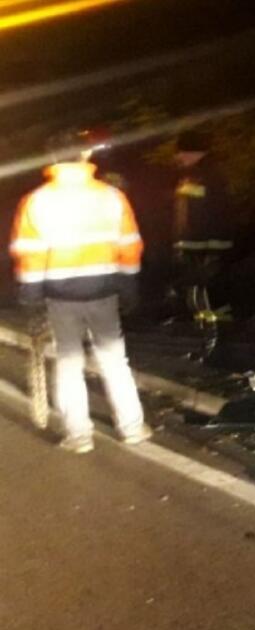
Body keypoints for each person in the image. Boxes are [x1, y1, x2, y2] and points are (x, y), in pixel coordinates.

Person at [8, 130, 152, 453]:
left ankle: (79, 435)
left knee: (69, 363)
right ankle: (131, 427)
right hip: (104, 291)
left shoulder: (37, 201)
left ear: (52, 160)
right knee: (114, 360)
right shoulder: (112, 197)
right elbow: (129, 246)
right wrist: (129, 286)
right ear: (86, 156)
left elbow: (29, 254)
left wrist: (31, 296)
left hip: (61, 297)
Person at [170, 130, 233, 322]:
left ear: (194, 151)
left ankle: (217, 332)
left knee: (209, 292)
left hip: (205, 246)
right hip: (194, 246)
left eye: (181, 152)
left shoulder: (209, 175)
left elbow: (218, 212)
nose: (178, 156)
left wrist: (214, 250)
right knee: (197, 292)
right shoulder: (192, 174)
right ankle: (206, 329)